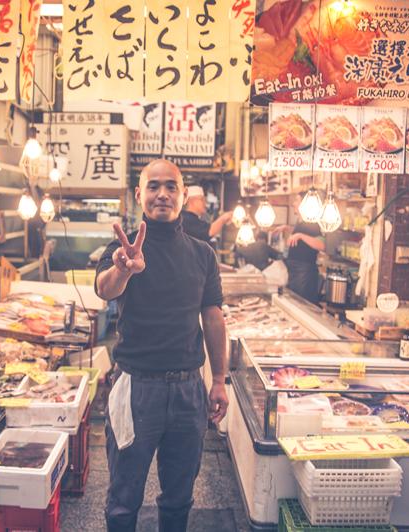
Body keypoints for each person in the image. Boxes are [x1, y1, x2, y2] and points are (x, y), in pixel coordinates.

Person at [94, 159, 229, 532]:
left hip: (189, 390)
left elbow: (213, 317)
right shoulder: (121, 249)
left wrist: (218, 378)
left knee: (180, 497)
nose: (163, 194)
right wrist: (123, 267)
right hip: (136, 388)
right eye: (153, 187)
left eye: (171, 187)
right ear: (139, 195)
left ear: (183, 196)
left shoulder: (203, 254)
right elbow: (106, 288)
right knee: (123, 499)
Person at [273, 216, 325, 303]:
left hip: (304, 272)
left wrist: (300, 236)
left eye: (296, 201)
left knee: (302, 304)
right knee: (293, 302)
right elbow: (303, 233)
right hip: (294, 269)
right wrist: (287, 228)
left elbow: (321, 245)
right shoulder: (300, 221)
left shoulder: (312, 222)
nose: (293, 203)